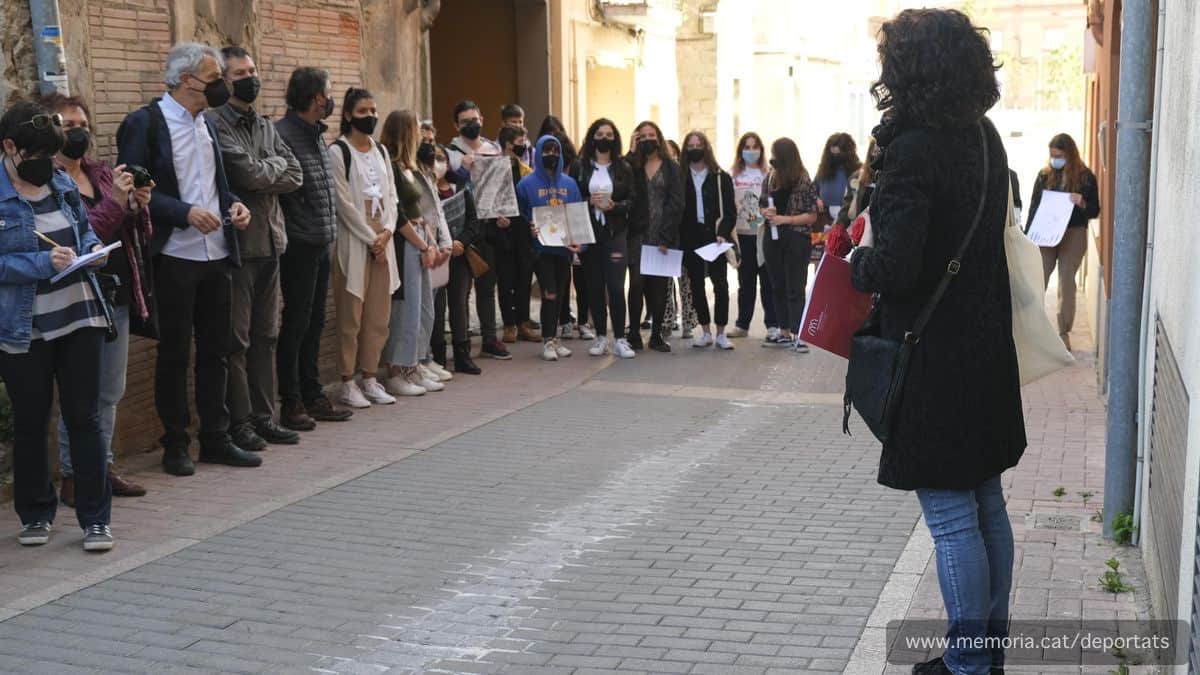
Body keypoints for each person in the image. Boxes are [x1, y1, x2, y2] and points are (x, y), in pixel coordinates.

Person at [849, 9, 1026, 675]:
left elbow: (897, 266)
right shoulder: (984, 136)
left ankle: (968, 665)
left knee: (952, 519)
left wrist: (855, 263)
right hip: (985, 348)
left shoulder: (913, 149)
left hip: (932, 359)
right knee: (987, 505)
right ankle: (985, 652)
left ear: (911, 69)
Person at [116, 42, 259, 476]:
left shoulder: (207, 123)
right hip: (174, 256)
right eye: (214, 79)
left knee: (217, 351)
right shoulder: (145, 123)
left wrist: (235, 205)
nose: (221, 87)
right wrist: (184, 212)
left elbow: (215, 186)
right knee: (175, 354)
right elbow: (132, 190)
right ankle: (175, 443)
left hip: (217, 253)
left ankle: (215, 438)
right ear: (185, 80)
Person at [1, 101, 115, 551]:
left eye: (51, 156)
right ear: (10, 147)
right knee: (31, 421)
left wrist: (93, 249)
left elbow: (83, 230)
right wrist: (40, 263)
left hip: (79, 314)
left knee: (84, 417)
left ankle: (96, 520)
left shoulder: (61, 181)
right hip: (23, 327)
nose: (46, 164)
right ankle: (35, 514)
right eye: (37, 156)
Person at [41, 93, 150, 504]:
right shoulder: (46, 181)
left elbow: (133, 230)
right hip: (76, 297)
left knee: (110, 390)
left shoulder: (100, 172)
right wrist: (117, 203)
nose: (78, 132)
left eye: (83, 125)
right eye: (68, 125)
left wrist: (138, 205)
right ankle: (75, 475)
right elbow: (81, 235)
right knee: (80, 391)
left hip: (113, 293)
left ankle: (101, 467)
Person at [208, 46, 304, 453]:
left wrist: (266, 169)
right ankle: (240, 422)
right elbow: (244, 173)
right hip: (239, 247)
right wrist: (270, 168)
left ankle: (266, 417)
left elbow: (295, 174)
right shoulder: (215, 123)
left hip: (272, 241)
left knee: (268, 335)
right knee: (237, 340)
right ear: (224, 81)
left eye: (252, 70)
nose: (250, 78)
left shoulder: (265, 124)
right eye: (240, 73)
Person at [275, 67, 355, 430]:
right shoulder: (283, 135)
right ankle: (291, 400)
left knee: (315, 321)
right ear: (316, 97)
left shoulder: (316, 134)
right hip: (299, 245)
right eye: (328, 92)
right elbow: (287, 193)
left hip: (322, 241)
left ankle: (312, 393)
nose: (331, 99)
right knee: (296, 322)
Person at [327, 87, 400, 408]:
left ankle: (370, 377)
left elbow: (392, 197)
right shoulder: (338, 152)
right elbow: (343, 204)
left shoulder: (381, 151)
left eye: (373, 111)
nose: (370, 116)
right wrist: (372, 239)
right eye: (362, 112)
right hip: (355, 243)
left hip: (383, 241)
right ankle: (347, 381)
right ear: (347, 115)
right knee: (351, 317)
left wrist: (387, 232)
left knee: (378, 316)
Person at [381, 109, 452, 397]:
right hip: (405, 243)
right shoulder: (392, 166)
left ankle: (414, 363)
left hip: (420, 237)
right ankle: (396, 369)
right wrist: (423, 245)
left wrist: (431, 242)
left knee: (424, 308)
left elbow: (419, 211)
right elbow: (398, 214)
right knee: (406, 309)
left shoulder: (411, 167)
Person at [445, 100, 510, 360]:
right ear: (456, 125)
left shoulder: (493, 149)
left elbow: (502, 187)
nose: (471, 124)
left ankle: (489, 339)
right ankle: (462, 344)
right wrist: (462, 169)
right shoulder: (450, 154)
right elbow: (444, 186)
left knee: (487, 285)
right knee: (461, 291)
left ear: (482, 119)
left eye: (475, 119)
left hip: (489, 226)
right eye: (465, 122)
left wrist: (504, 212)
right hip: (462, 229)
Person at [1027, 133, 1099, 351]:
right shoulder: (1044, 175)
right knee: (1038, 276)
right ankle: (1032, 329)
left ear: (1069, 155)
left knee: (1066, 279)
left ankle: (1063, 332)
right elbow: (1034, 206)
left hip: (1073, 232)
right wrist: (1029, 234)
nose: (1054, 160)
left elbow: (1094, 210)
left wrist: (1081, 202)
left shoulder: (1085, 178)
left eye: (1058, 156)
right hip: (1046, 234)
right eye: (1052, 156)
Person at [572, 118, 636, 359]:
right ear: (592, 137)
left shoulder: (623, 167)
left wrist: (614, 206)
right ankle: (601, 337)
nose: (604, 139)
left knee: (616, 287)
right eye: (600, 134)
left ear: (615, 138)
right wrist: (588, 202)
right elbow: (573, 198)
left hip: (615, 233)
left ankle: (619, 338)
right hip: (589, 233)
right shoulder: (581, 166)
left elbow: (633, 200)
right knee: (594, 286)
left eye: (609, 134)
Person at [516, 135, 584, 361]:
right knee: (550, 292)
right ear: (538, 153)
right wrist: (528, 229)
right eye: (546, 151)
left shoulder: (570, 184)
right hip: (540, 249)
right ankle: (547, 340)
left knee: (561, 293)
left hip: (563, 249)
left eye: (555, 151)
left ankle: (555, 339)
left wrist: (580, 242)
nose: (551, 155)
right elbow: (519, 217)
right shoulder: (525, 185)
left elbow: (577, 216)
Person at [628, 121, 683, 353]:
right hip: (638, 234)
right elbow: (621, 182)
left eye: (651, 135)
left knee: (659, 288)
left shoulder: (671, 168)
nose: (648, 139)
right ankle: (633, 333)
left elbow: (677, 203)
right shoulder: (632, 165)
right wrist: (631, 151)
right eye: (642, 136)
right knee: (636, 284)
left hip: (663, 234)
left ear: (658, 138)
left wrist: (666, 237)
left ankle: (657, 335)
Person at [760, 137, 819, 352]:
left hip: (796, 238)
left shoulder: (803, 179)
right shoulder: (770, 178)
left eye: (775, 154)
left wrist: (785, 220)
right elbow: (761, 205)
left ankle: (799, 333)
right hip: (772, 237)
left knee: (795, 287)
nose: (772, 159)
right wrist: (765, 212)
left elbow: (812, 215)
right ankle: (783, 331)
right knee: (777, 285)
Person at [429, 142, 483, 374]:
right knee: (437, 306)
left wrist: (462, 241)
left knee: (459, 304)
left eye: (442, 158)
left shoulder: (460, 186)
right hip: (437, 256)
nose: (438, 163)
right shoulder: (425, 188)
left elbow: (473, 220)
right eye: (434, 158)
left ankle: (462, 355)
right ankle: (438, 356)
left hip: (460, 255)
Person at [680, 130, 736, 350]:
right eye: (691, 146)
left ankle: (721, 332)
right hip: (690, 236)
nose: (695, 149)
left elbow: (730, 211)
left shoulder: (720, 177)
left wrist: (723, 232)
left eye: (699, 145)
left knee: (720, 284)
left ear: (706, 148)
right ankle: (705, 331)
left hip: (715, 237)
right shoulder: (681, 176)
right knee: (696, 285)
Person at [728, 132, 777, 340]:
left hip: (763, 233)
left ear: (761, 150)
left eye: (754, 147)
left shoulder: (769, 173)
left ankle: (772, 325)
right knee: (745, 281)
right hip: (742, 233)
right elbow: (728, 200)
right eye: (746, 147)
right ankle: (742, 325)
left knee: (767, 281)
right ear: (741, 150)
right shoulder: (733, 175)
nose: (751, 151)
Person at [495, 124, 537, 344]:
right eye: (521, 143)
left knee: (524, 278)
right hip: (501, 231)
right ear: (508, 144)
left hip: (523, 230)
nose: (524, 147)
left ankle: (523, 323)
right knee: (505, 280)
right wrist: (495, 217)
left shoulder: (526, 171)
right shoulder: (492, 170)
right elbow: (485, 201)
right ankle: (509, 324)